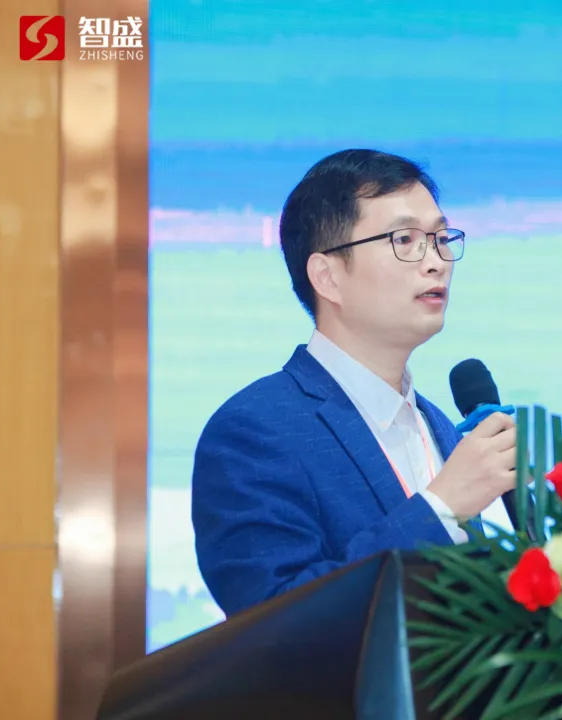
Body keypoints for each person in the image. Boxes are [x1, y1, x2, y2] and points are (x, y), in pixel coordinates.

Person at [191, 149, 517, 617]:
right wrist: (442, 509)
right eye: (405, 240)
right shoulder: (253, 431)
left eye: (441, 238)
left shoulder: (439, 426)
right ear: (327, 277)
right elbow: (273, 617)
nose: (437, 261)